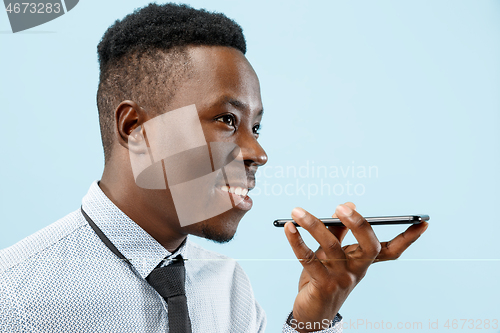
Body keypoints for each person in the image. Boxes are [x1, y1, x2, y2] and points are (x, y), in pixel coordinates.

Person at [0, 3, 428, 333]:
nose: (258, 152)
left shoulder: (227, 284)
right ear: (137, 129)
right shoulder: (15, 297)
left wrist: (314, 316)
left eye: (256, 126)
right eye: (227, 120)